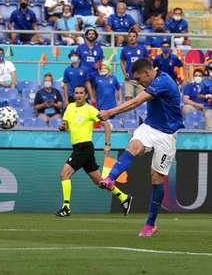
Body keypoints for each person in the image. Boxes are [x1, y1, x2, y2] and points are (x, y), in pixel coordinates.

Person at [98, 58, 184, 237]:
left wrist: (109, 113)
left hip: (167, 134)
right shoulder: (152, 79)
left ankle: (151, 224)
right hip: (150, 126)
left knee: (156, 178)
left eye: (140, 79)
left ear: (147, 73)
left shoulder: (163, 82)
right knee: (134, 145)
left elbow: (135, 102)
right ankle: (111, 178)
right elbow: (136, 88)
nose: (139, 83)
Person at [56, 85, 133, 217]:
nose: (78, 95)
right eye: (76, 93)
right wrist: (62, 127)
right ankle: (123, 197)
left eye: (81, 93)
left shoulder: (90, 110)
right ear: (73, 94)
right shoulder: (69, 107)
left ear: (86, 95)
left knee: (64, 174)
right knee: (100, 182)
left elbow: (107, 125)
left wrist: (107, 144)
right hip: (78, 147)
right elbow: (66, 125)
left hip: (84, 147)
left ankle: (66, 207)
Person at [120, 29, 148, 100]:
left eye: (134, 36)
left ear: (137, 38)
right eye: (130, 36)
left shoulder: (142, 48)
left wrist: (145, 74)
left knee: (141, 100)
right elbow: (122, 62)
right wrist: (124, 74)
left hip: (141, 79)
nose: (132, 38)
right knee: (128, 100)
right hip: (129, 79)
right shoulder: (125, 49)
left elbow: (147, 62)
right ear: (128, 38)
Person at [199, 64, 212, 130]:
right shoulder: (204, 82)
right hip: (209, 108)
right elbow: (199, 95)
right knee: (210, 129)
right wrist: (206, 96)